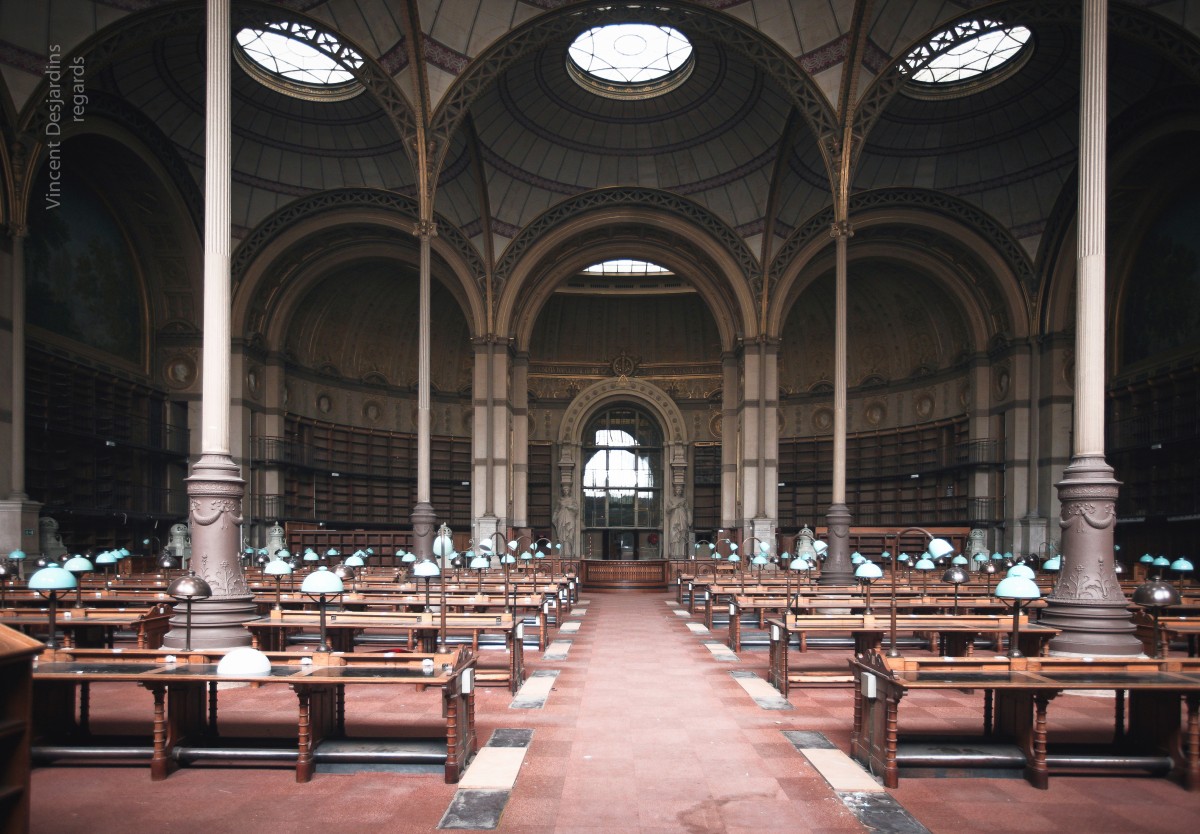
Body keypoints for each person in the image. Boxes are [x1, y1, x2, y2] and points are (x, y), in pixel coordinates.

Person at [554, 483, 577, 558]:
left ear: (569, 491)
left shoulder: (573, 500)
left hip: (569, 519)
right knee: (561, 536)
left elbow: (576, 509)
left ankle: (569, 552)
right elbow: (557, 510)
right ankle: (562, 552)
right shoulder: (560, 500)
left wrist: (569, 507)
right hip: (561, 518)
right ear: (562, 491)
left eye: (567, 489)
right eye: (564, 490)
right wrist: (554, 518)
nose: (565, 491)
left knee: (569, 535)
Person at [668, 483, 689, 559]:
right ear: (675, 490)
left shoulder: (684, 500)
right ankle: (674, 553)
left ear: (682, 491)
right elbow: (667, 510)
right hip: (674, 517)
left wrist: (690, 519)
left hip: (682, 517)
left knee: (682, 534)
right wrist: (673, 506)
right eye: (677, 489)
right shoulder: (671, 499)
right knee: (674, 534)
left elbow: (687, 510)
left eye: (680, 490)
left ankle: (682, 553)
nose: (679, 491)